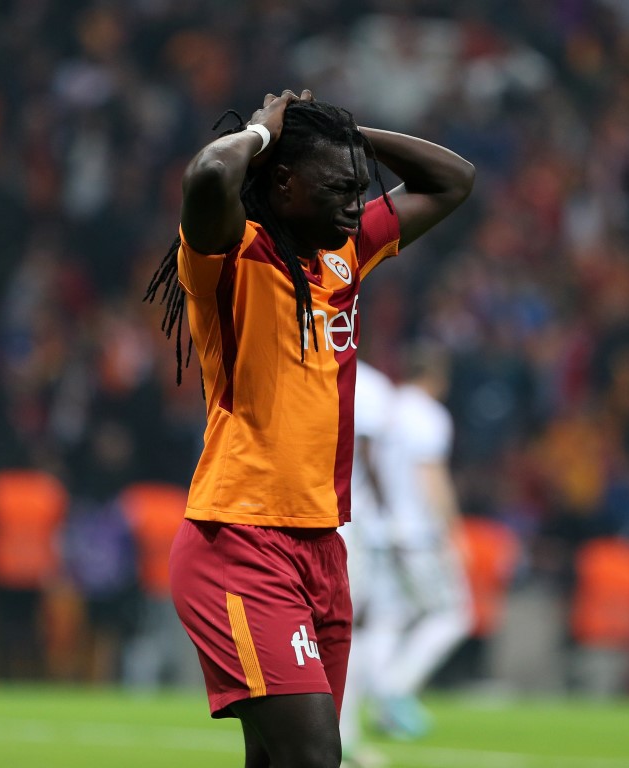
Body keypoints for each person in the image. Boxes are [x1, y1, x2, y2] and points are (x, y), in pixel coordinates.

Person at [144, 89, 474, 768]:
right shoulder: (231, 255)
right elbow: (208, 175)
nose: (355, 206)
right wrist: (266, 133)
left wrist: (347, 136)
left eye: (360, 190)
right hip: (241, 540)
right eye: (337, 189)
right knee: (317, 756)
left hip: (324, 547)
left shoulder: (345, 255)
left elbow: (453, 180)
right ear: (284, 182)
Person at [371, 342, 473, 740]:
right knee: (453, 616)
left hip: (382, 531)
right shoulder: (428, 416)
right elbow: (431, 477)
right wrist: (452, 530)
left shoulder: (388, 408)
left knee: (388, 619)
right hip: (418, 534)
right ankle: (393, 690)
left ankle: (379, 701)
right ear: (438, 377)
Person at [338, 359, 397, 767]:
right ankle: (343, 736)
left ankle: (336, 735)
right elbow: (369, 457)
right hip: (349, 523)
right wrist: (388, 512)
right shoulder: (371, 384)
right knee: (346, 630)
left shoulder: (292, 364)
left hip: (299, 515)